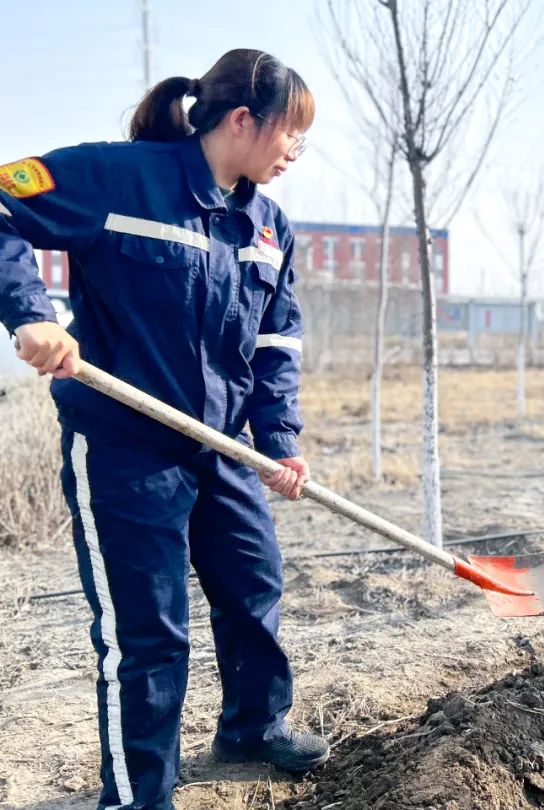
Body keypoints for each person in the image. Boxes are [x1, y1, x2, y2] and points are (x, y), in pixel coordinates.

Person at [0, 49, 328, 809]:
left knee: (254, 585)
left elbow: (276, 346)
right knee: (149, 633)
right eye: (291, 133)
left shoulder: (268, 225)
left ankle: (252, 726)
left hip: (221, 448)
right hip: (125, 443)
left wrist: (277, 444)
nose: (295, 152)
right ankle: (138, 795)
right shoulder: (123, 178)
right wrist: (30, 315)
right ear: (243, 120)